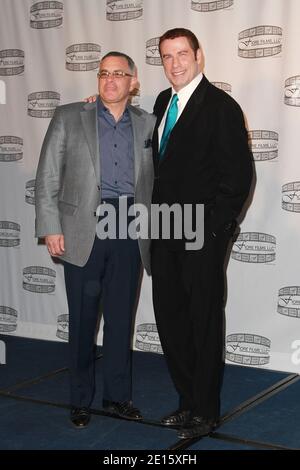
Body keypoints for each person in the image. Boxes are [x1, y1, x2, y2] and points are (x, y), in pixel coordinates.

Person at [35, 51, 156, 428]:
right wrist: (50, 225)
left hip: (129, 228)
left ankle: (118, 397)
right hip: (83, 227)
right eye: (104, 73)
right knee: (83, 320)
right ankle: (80, 399)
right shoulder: (70, 116)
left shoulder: (149, 124)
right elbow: (48, 176)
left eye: (119, 74)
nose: (110, 80)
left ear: (133, 82)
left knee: (121, 319)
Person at [151, 28, 253, 439]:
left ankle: (206, 410)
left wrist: (216, 232)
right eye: (166, 56)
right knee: (171, 320)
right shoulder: (162, 102)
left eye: (182, 54)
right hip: (163, 228)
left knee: (203, 321)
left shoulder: (222, 107)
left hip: (201, 234)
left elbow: (239, 175)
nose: (175, 63)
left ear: (198, 56)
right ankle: (186, 401)